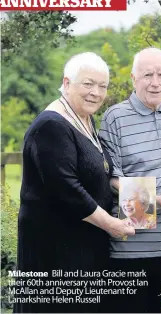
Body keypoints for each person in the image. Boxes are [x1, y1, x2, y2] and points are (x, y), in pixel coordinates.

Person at [15, 52, 135, 313]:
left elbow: (102, 174)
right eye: (88, 84)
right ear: (67, 83)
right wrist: (112, 224)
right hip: (55, 247)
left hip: (84, 243)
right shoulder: (50, 125)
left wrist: (149, 199)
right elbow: (67, 190)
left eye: (102, 86)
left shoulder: (85, 120)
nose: (96, 92)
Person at [99, 47, 161, 313]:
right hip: (130, 247)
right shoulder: (115, 118)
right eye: (147, 75)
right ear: (134, 78)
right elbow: (112, 179)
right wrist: (156, 200)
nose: (155, 82)